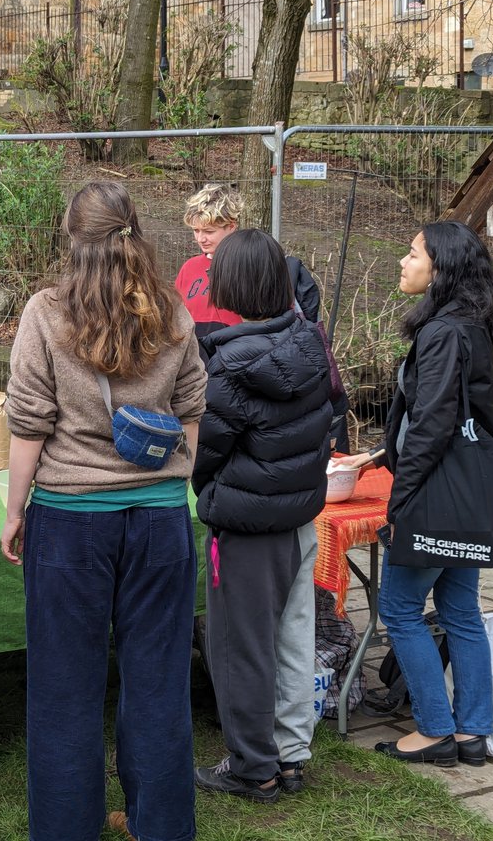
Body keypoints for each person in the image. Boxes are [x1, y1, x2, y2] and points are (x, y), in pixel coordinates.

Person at [1, 181, 207, 841]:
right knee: (159, 683)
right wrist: (174, 483)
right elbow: (194, 415)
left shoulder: (46, 313)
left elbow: (27, 424)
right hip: (160, 520)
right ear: (133, 232)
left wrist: (14, 511)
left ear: (72, 239)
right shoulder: (172, 311)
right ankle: (163, 827)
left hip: (69, 520)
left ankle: (66, 829)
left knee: (64, 688)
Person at [340, 222, 493, 769]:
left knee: (399, 607)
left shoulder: (442, 333)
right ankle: (472, 733)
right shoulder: (472, 326)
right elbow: (460, 418)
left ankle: (435, 728)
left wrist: (400, 501)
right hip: (469, 494)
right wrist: (384, 452)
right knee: (460, 609)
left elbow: (433, 424)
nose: (402, 262)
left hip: (435, 495)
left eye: (412, 253)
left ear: (442, 268)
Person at [191, 228, 332, 803]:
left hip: (247, 528)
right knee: (293, 638)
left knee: (239, 647)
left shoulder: (229, 363)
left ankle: (254, 767)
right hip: (300, 518)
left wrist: (208, 488)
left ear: (231, 285)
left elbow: (207, 450)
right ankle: (290, 754)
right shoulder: (309, 339)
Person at [173, 183, 322, 345]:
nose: (200, 238)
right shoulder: (189, 268)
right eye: (196, 230)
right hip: (198, 360)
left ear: (231, 226)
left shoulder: (252, 264)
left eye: (209, 231)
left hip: (242, 356)